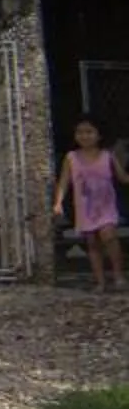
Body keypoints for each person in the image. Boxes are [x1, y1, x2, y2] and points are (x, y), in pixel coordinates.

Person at [52, 118, 129, 290]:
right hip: (85, 207)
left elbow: (122, 177)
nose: (84, 136)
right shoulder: (71, 158)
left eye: (89, 132)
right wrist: (58, 202)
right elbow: (64, 182)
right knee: (92, 243)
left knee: (109, 236)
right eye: (80, 132)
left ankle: (119, 276)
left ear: (99, 135)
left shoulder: (108, 156)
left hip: (106, 205)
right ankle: (100, 281)